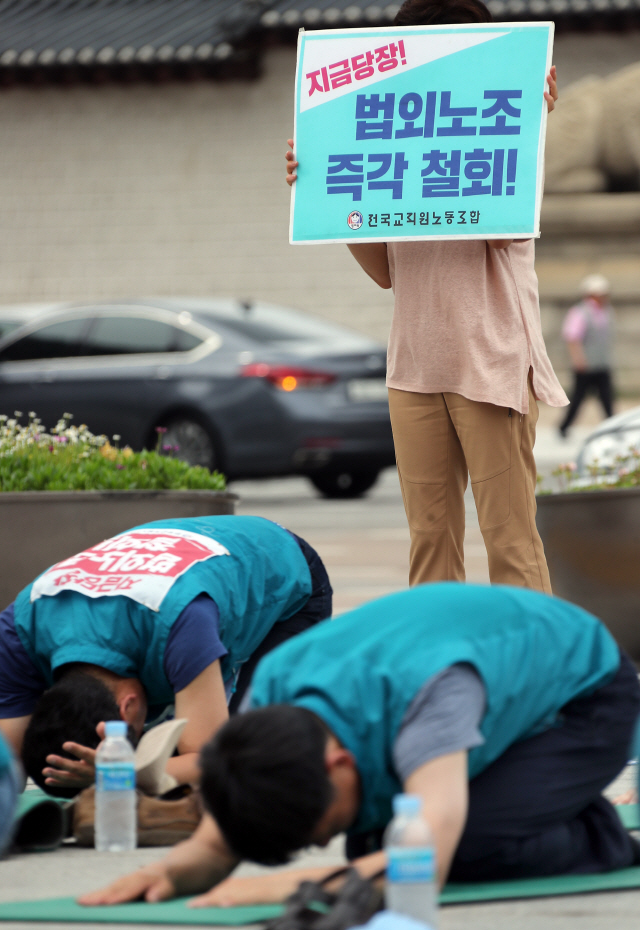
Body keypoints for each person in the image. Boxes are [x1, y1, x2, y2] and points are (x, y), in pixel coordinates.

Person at [81, 584, 640, 907]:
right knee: (370, 845)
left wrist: (272, 889)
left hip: (582, 697)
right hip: (483, 680)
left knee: (459, 847)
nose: (327, 838)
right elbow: (222, 840)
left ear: (339, 761)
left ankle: (598, 836)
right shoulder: (275, 696)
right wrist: (173, 875)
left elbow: (428, 861)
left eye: (323, 826)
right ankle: (539, 800)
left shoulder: (427, 703)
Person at [287, 0, 567, 593]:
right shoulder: (395, 150)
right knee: (429, 539)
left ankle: (539, 677)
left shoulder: (497, 130)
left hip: (491, 362)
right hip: (413, 367)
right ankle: (439, 671)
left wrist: (527, 127)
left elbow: (507, 227)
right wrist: (325, 188)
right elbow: (385, 271)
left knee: (510, 539)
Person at [0, 515, 331, 796]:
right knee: (165, 764)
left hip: (281, 568)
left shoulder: (180, 626)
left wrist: (117, 775)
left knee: (249, 757)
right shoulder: (16, 632)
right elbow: (7, 762)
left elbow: (211, 759)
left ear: (127, 707)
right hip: (178, 556)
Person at [559, 274, 614, 438]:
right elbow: (572, 338)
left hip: (601, 363)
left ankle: (612, 426)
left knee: (607, 398)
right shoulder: (580, 312)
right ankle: (563, 427)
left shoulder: (606, 311)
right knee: (577, 398)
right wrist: (578, 359)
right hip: (585, 364)